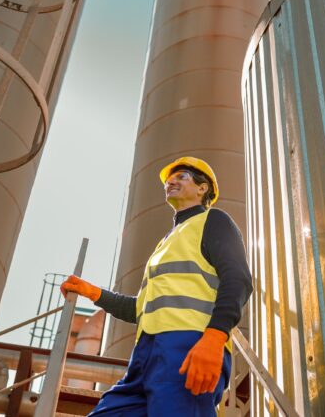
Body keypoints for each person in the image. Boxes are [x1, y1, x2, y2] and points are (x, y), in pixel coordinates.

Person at [61, 156, 253, 416]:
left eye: (181, 176)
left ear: (202, 188)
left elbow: (238, 278)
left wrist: (215, 338)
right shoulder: (166, 242)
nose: (171, 181)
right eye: (169, 179)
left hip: (189, 346)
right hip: (145, 355)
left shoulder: (213, 221)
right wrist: (93, 293)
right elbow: (141, 308)